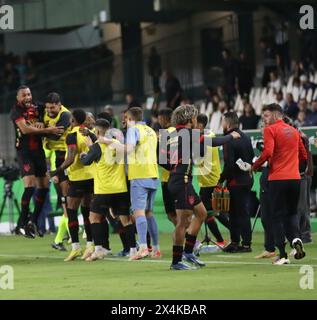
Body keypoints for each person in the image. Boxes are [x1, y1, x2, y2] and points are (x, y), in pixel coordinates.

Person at [161, 104, 240, 270]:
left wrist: (174, 169)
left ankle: (188, 253)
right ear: (190, 119)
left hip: (180, 181)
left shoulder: (169, 135)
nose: (196, 120)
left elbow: (162, 160)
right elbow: (212, 142)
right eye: (195, 117)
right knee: (183, 222)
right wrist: (231, 136)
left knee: (202, 213)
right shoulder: (190, 133)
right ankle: (176, 262)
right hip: (181, 182)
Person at [252, 103, 307, 265]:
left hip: (277, 179)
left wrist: (255, 166)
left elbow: (268, 152)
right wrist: (294, 168)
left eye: (266, 116)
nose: (264, 119)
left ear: (277, 115)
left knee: (276, 216)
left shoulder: (270, 130)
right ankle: (296, 239)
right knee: (291, 213)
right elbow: (303, 155)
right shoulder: (294, 131)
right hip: (295, 179)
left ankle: (282, 255)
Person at [10, 85, 63, 238]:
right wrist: (47, 130)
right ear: (18, 98)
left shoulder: (38, 107)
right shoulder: (16, 111)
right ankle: (21, 222)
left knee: (45, 187)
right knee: (30, 186)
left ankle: (32, 221)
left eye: (29, 94)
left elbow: (53, 110)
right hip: (24, 152)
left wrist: (45, 124)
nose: (27, 97)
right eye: (24, 95)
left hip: (38, 152)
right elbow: (25, 130)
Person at [80, 119, 135, 261]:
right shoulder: (117, 144)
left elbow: (86, 161)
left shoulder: (97, 147)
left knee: (94, 217)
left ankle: (99, 249)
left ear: (97, 132)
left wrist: (86, 151)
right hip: (121, 188)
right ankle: (133, 250)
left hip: (104, 190)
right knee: (126, 220)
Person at [50, 109, 94, 262]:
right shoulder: (89, 132)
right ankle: (90, 245)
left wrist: (57, 171)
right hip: (92, 177)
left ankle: (76, 247)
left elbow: (70, 157)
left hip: (78, 178)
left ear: (73, 120)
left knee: (71, 211)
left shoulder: (72, 135)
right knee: (87, 211)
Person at [219, 112, 254, 253]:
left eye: (222, 122)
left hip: (235, 182)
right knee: (242, 212)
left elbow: (229, 165)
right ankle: (243, 243)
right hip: (247, 180)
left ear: (227, 124)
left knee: (235, 214)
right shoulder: (245, 137)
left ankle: (239, 243)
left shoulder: (228, 139)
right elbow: (251, 157)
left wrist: (221, 180)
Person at [43, 92, 71, 251]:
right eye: (47, 108)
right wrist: (51, 172)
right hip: (59, 165)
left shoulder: (65, 115)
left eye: (52, 107)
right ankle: (67, 237)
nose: (49, 110)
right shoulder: (44, 115)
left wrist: (43, 132)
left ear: (59, 105)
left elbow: (55, 135)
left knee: (70, 204)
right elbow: (47, 150)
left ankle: (61, 239)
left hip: (66, 162)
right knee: (68, 204)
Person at [196, 114, 230, 246]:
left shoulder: (207, 137)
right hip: (208, 180)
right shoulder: (208, 134)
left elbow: (199, 156)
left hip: (209, 180)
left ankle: (229, 237)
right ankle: (224, 239)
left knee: (211, 213)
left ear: (199, 125)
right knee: (211, 213)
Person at [157, 108, 176, 225]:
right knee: (175, 213)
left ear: (164, 118)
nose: (159, 121)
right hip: (178, 176)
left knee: (172, 213)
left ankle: (191, 238)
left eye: (159, 118)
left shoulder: (165, 134)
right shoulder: (178, 131)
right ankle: (190, 238)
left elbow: (161, 159)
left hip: (168, 179)